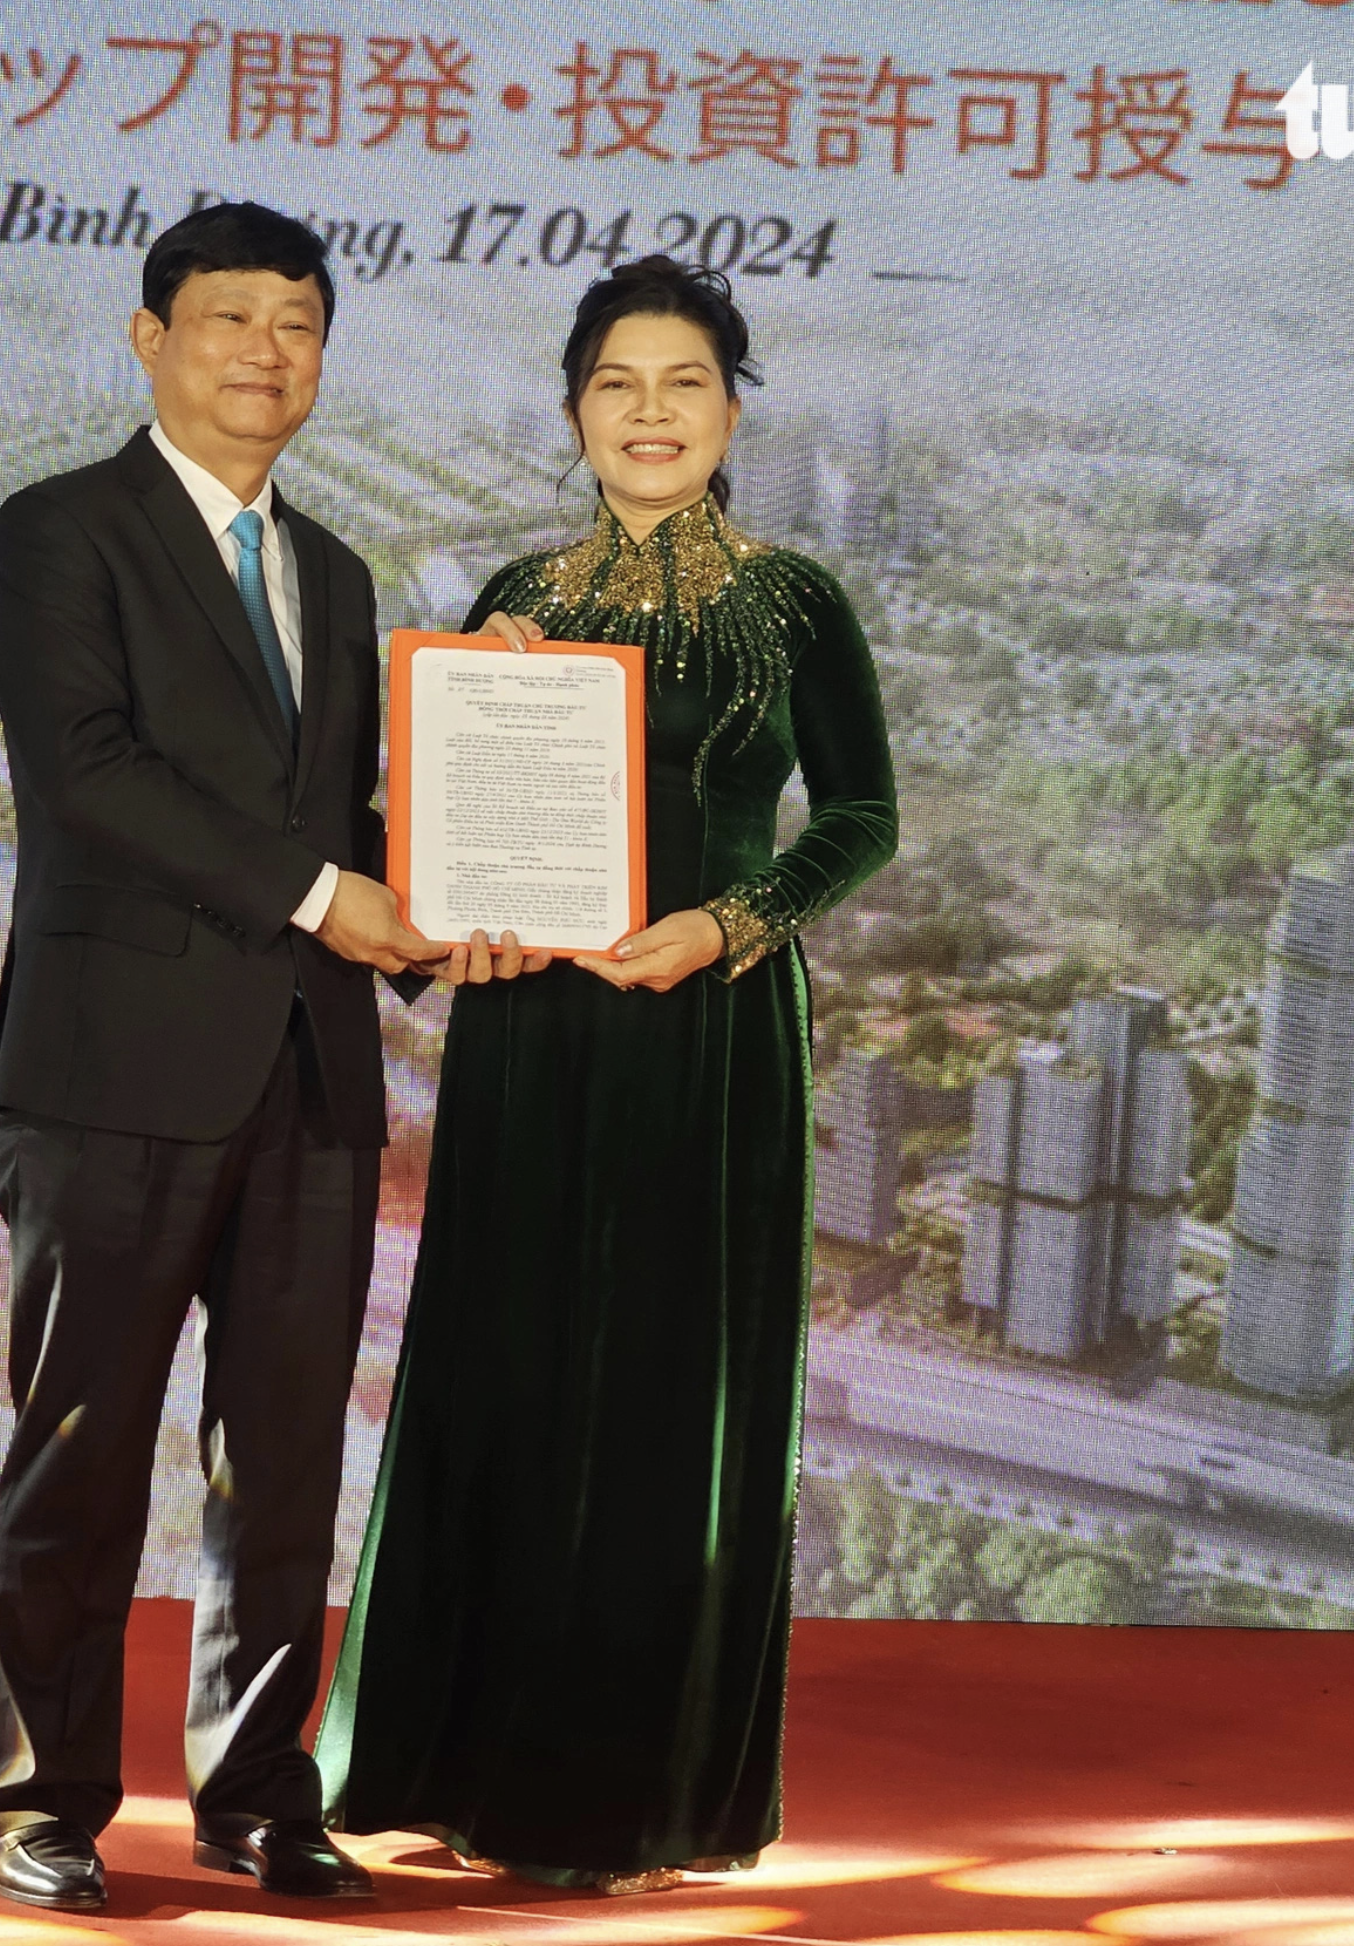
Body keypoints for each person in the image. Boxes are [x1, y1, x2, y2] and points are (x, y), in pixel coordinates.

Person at [314, 256, 900, 1893]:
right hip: (532, 1027)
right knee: (504, 1362)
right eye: (618, 385)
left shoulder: (798, 600)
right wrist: (452, 873)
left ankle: (628, 1795)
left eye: (687, 382)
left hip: (706, 1031)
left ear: (733, 407)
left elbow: (863, 820)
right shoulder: (516, 588)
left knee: (664, 1390)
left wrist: (731, 922)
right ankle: (447, 1760)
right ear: (576, 409)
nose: (652, 414)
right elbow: (432, 830)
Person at [0, 201, 524, 1914]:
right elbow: (92, 773)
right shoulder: (60, 531)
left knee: (281, 1457)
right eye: (229, 319)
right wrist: (326, 891)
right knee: (82, 1437)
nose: (265, 353)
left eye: (297, 323)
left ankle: (261, 1790)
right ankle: (44, 1793)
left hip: (309, 1074)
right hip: (112, 1068)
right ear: (152, 339)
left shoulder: (339, 573)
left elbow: (337, 820)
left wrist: (469, 864)